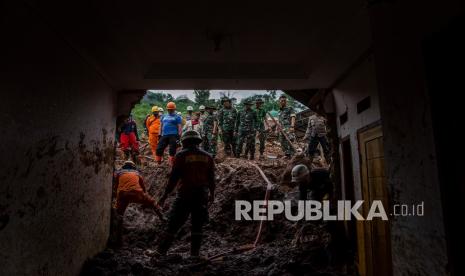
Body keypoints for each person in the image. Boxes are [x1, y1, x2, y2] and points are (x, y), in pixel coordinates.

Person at [155, 130, 215, 258]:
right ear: (198, 142)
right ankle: (195, 255)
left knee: (173, 223)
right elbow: (211, 178)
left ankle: (161, 251)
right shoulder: (208, 156)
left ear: (184, 142)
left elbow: (174, 178)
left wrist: (165, 195)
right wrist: (212, 194)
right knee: (198, 226)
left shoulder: (181, 156)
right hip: (201, 196)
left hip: (185, 195)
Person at [112, 161, 165, 245]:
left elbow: (115, 186)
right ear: (133, 167)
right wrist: (146, 199)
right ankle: (164, 220)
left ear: (124, 166)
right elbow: (144, 188)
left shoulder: (119, 173)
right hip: (137, 193)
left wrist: (116, 197)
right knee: (153, 204)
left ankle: (119, 239)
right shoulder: (137, 173)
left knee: (119, 215)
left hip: (123, 195)